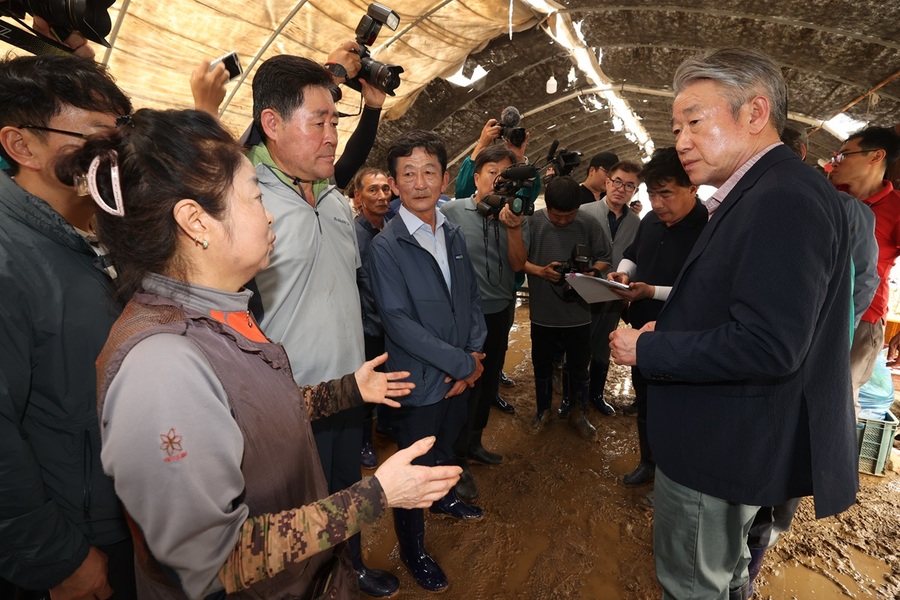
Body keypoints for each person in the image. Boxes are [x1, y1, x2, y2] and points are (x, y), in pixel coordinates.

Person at [55, 108, 461, 600]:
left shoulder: (216, 314)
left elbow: (247, 417)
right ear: (195, 221)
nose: (269, 213)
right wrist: (375, 496)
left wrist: (344, 391)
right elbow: (211, 559)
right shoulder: (162, 366)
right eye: (254, 196)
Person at [609, 47, 859, 600]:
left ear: (754, 112)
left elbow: (769, 345)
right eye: (676, 127)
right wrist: (669, 331)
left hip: (720, 445)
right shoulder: (759, 193)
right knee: (722, 576)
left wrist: (649, 352)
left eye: (695, 122)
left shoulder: (781, 199)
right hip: (733, 432)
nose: (681, 140)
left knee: (694, 583)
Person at [246, 55, 398, 597]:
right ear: (271, 124)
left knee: (346, 494)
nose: (334, 136)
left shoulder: (333, 198)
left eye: (338, 122)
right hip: (291, 404)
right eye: (320, 122)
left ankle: (350, 575)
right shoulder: (247, 201)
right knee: (297, 517)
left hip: (350, 389)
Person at [0, 54, 136, 599]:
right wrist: (57, 558)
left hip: (117, 513)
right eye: (96, 137)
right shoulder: (9, 259)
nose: (114, 154)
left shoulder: (94, 225)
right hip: (74, 541)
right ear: (21, 146)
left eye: (118, 134)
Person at [367, 130, 488, 593]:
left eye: (429, 172)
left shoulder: (453, 231)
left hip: (460, 372)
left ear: (443, 179)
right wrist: (461, 364)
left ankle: (446, 501)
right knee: (413, 470)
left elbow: (471, 299)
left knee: (447, 446)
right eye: (408, 174)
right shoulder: (386, 246)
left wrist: (475, 353)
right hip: (420, 380)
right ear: (395, 185)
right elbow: (398, 323)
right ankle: (413, 549)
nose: (420, 182)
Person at [606, 147, 707, 488]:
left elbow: (700, 290)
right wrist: (622, 274)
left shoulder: (707, 229)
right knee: (646, 400)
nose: (658, 203)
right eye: (651, 194)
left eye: (666, 194)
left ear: (692, 187)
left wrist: (651, 292)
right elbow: (632, 255)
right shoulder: (650, 220)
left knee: (677, 409)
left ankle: (673, 478)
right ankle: (648, 462)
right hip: (641, 329)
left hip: (681, 335)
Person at [440, 144, 526, 501]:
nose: (497, 180)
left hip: (501, 309)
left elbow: (519, 265)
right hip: (464, 317)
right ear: (477, 177)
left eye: (505, 175)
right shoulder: (453, 211)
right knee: (463, 385)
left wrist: (514, 229)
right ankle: (455, 461)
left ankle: (474, 443)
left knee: (487, 383)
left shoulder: (515, 215)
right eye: (492, 173)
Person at [507, 175, 611, 439]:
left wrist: (588, 274)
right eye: (557, 216)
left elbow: (605, 258)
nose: (563, 221)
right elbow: (519, 262)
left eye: (570, 216)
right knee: (542, 366)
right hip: (543, 315)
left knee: (579, 367)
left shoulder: (589, 223)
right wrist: (540, 271)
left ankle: (579, 414)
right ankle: (543, 411)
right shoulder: (532, 223)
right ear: (547, 207)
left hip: (578, 315)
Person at [829, 126, 900, 409]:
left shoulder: (896, 208)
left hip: (863, 321)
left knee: (839, 404)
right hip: (816, 312)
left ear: (876, 157)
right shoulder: (828, 196)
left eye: (845, 155)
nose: (836, 162)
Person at [580, 161, 641, 415]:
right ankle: (574, 398)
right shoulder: (584, 212)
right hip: (583, 292)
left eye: (629, 185)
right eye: (617, 181)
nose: (621, 189)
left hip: (614, 296)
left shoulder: (637, 223)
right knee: (578, 344)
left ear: (635, 191)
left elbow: (637, 258)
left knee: (604, 345)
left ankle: (595, 395)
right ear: (607, 182)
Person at [352, 166, 393, 469]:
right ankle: (364, 439)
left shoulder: (392, 226)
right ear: (358, 197)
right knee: (367, 382)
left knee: (391, 377)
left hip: (393, 323)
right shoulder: (353, 235)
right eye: (372, 190)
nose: (381, 196)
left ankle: (387, 424)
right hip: (367, 326)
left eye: (385, 189)